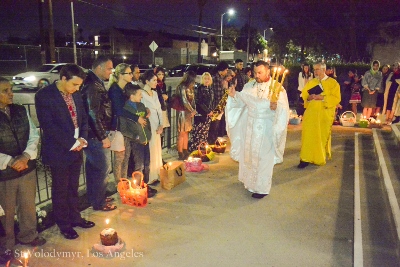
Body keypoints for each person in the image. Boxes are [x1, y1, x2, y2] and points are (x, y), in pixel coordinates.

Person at [35, 64, 95, 240]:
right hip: (59, 150)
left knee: (73, 187)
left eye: (79, 86)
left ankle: (75, 218)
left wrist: (82, 139)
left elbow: (83, 118)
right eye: (74, 85)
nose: (77, 89)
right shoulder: (44, 96)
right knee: (61, 189)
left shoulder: (75, 93)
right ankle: (64, 224)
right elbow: (49, 126)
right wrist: (71, 143)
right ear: (63, 79)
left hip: (77, 147)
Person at [226, 61, 290, 199]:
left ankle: (262, 188)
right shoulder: (250, 85)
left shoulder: (277, 88)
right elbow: (241, 102)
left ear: (268, 72)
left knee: (263, 158)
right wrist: (234, 96)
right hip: (250, 127)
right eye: (255, 72)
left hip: (266, 128)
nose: (257, 75)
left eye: (259, 73)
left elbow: (284, 110)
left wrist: (276, 108)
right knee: (249, 155)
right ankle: (249, 183)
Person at [0, 77, 45, 263]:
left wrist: (26, 156)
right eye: (5, 91)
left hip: (26, 168)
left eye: (10, 89)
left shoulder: (19, 110)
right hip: (4, 173)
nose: (11, 93)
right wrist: (10, 161)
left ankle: (28, 235)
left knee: (27, 205)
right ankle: (6, 246)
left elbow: (33, 134)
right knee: (6, 211)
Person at [81, 56, 117, 212]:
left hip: (93, 133)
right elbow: (93, 113)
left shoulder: (95, 82)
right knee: (102, 168)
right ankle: (99, 202)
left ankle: (96, 196)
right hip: (95, 135)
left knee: (94, 168)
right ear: (99, 68)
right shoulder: (93, 86)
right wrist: (103, 136)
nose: (111, 71)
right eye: (109, 68)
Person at [298, 62, 341, 169]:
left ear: (324, 69)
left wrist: (321, 97)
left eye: (318, 69)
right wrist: (309, 97)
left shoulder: (333, 83)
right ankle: (305, 159)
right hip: (311, 113)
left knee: (320, 136)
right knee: (308, 135)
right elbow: (304, 95)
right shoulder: (312, 82)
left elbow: (336, 98)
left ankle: (318, 158)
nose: (315, 71)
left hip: (324, 114)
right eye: (314, 69)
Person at [108, 63, 143, 183]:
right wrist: (136, 118)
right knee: (120, 157)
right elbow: (119, 110)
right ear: (121, 75)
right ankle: (119, 183)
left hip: (125, 127)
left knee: (126, 156)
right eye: (128, 73)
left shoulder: (125, 88)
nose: (131, 75)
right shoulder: (115, 90)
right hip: (117, 127)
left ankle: (124, 181)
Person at [119, 84, 156, 197]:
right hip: (136, 141)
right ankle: (138, 186)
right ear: (131, 96)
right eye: (139, 94)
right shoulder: (126, 110)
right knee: (139, 164)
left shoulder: (141, 106)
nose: (141, 96)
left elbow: (146, 120)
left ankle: (145, 184)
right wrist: (135, 136)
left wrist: (148, 133)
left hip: (145, 139)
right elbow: (123, 128)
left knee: (147, 163)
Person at [140, 70, 163, 185]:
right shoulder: (142, 93)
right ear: (147, 81)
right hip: (148, 123)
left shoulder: (154, 93)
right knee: (150, 148)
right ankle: (149, 176)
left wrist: (161, 124)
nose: (156, 82)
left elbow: (159, 109)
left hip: (156, 123)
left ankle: (157, 172)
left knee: (157, 148)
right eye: (154, 80)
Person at [189, 72, 214, 152]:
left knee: (205, 132)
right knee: (199, 132)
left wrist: (211, 110)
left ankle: (202, 147)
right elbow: (199, 102)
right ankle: (196, 148)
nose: (207, 80)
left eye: (208, 79)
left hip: (208, 114)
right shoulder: (200, 89)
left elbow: (211, 101)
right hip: (201, 114)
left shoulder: (210, 89)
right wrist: (207, 111)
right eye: (205, 79)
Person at [176, 71, 197, 160]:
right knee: (182, 132)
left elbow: (193, 100)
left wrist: (194, 110)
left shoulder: (190, 88)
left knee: (186, 132)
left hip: (189, 113)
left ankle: (185, 150)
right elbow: (184, 101)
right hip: (183, 112)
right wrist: (192, 110)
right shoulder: (182, 87)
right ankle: (180, 152)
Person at [208, 61, 229, 144]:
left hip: (219, 105)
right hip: (216, 105)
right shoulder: (216, 78)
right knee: (214, 125)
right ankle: (212, 141)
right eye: (226, 70)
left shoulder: (219, 78)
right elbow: (217, 94)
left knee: (216, 125)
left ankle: (214, 140)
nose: (226, 72)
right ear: (222, 69)